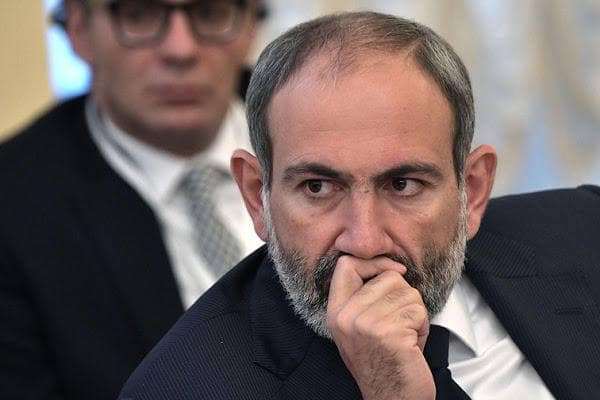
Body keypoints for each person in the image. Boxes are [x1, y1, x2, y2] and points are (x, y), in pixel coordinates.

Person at [117, 11, 600, 400]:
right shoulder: (186, 388)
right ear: (256, 196)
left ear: (471, 191)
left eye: (403, 185)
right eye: (318, 188)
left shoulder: (585, 232)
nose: (364, 240)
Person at [0, 1, 266, 399]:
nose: (181, 50)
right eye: (139, 15)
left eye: (210, 13)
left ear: (251, 24)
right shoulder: (15, 206)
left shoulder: (327, 128)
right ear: (79, 29)